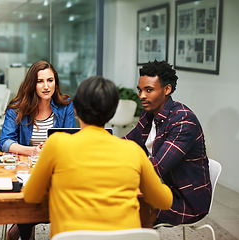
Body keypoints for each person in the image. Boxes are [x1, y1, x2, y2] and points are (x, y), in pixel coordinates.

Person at [23, 76, 173, 238]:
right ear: (112, 111)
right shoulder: (133, 151)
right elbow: (164, 201)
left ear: (76, 110)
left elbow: (31, 195)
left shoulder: (56, 144)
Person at [123, 60, 212, 226]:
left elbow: (154, 168)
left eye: (148, 90)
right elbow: (126, 143)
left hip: (185, 201)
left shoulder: (183, 121)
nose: (142, 96)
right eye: (140, 90)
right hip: (162, 188)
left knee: (118, 205)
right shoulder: (149, 113)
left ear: (167, 89)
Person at [0, 60, 75, 240]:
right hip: (25, 169)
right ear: (32, 83)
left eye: (50, 80)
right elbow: (4, 142)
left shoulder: (65, 106)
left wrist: (53, 148)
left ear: (56, 82)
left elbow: (70, 141)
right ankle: (25, 234)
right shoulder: (17, 107)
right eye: (40, 81)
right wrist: (32, 151)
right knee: (29, 196)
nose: (46, 86)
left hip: (55, 168)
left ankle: (17, 230)